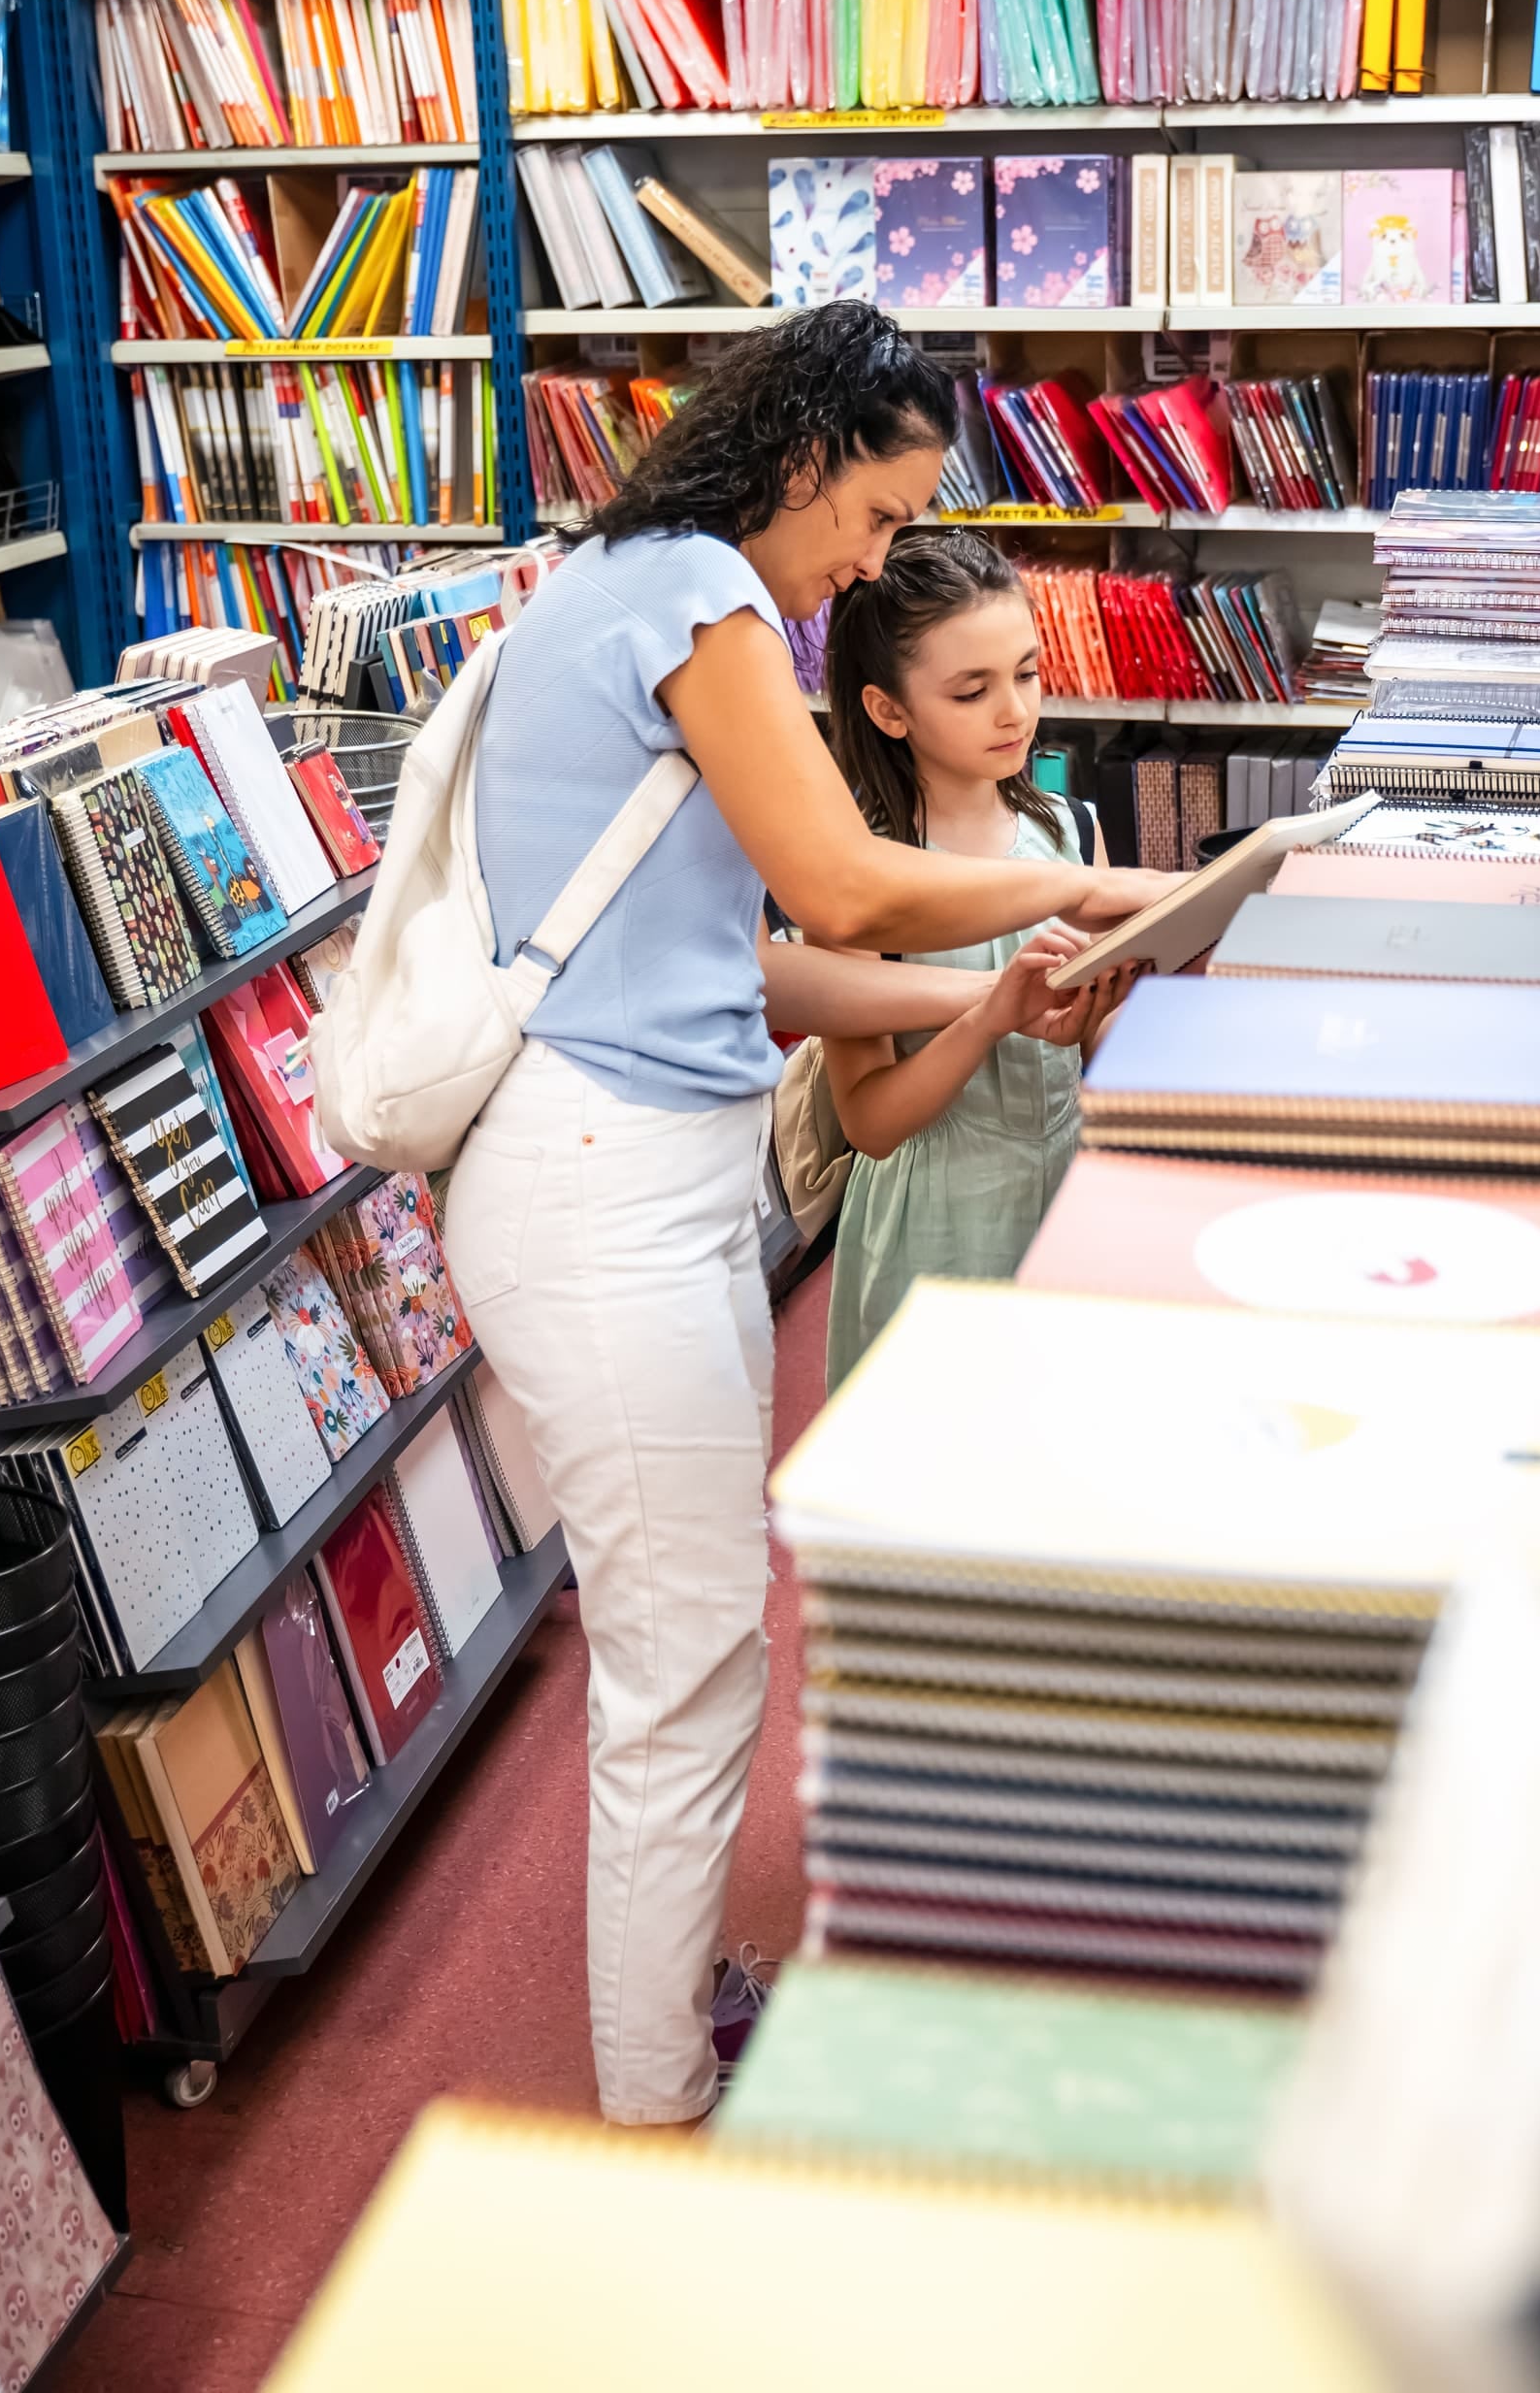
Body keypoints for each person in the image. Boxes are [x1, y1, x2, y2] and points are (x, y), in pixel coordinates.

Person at [431, 302, 1176, 2126]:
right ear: (797, 458)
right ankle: (658, 2100)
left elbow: (756, 973)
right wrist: (1096, 886)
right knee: (684, 1666)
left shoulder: (639, 590)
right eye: (871, 514)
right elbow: (844, 887)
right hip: (602, 1190)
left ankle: (670, 2013)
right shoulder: (695, 602)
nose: (869, 561)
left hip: (635, 1171)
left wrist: (994, 990)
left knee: (694, 1640)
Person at [815, 532, 1134, 1392]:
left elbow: (1087, 1056)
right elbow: (871, 1126)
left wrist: (1112, 1007)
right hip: (938, 1226)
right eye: (972, 690)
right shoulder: (858, 880)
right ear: (889, 710)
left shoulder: (1070, 832)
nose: (1015, 712)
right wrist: (991, 1013)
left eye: (1026, 674)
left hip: (1070, 1197)